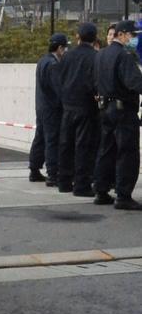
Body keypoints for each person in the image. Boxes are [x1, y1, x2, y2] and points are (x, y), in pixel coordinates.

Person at [93, 20, 142, 210]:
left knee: (106, 150)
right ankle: (123, 195)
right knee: (127, 152)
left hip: (105, 108)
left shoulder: (101, 54)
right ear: (121, 34)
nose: (133, 38)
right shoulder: (124, 56)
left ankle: (101, 190)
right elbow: (134, 83)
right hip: (123, 111)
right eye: (131, 35)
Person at [57, 23, 100, 196]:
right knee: (84, 146)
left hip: (68, 105)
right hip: (87, 106)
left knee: (66, 144)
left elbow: (60, 78)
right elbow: (96, 81)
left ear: (77, 37)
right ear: (95, 39)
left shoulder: (67, 56)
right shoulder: (95, 57)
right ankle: (82, 184)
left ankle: (64, 181)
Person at [28, 33, 67, 185]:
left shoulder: (42, 61)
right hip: (52, 107)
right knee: (52, 139)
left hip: (41, 106)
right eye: (64, 48)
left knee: (40, 137)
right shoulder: (53, 64)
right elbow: (58, 88)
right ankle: (52, 173)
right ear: (59, 48)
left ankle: (34, 168)